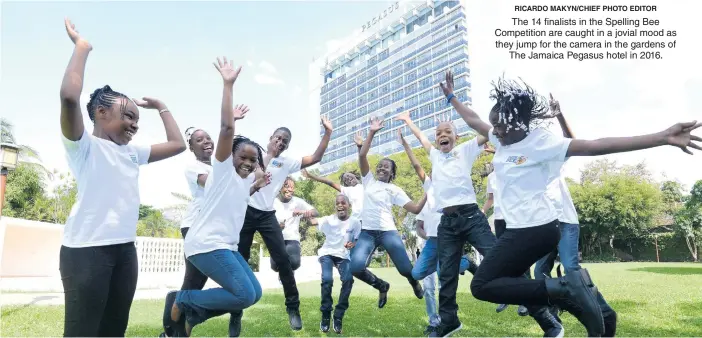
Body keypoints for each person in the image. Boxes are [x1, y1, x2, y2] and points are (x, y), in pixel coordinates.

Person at [440, 70, 701, 337]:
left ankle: (564, 290)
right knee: (502, 283)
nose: (494, 131)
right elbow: (474, 120)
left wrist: (662, 136)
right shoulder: (501, 139)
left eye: (500, 125)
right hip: (519, 229)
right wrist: (452, 97)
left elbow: (597, 145)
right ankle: (596, 309)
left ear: (518, 123)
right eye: (493, 124)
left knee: (482, 285)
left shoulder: (542, 143)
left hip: (536, 230)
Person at [58, 18, 186, 337]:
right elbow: (70, 98)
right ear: (101, 113)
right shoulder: (84, 147)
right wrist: (82, 49)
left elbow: (177, 145)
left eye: (136, 119)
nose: (134, 124)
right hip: (87, 251)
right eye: (128, 116)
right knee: (82, 332)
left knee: (114, 329)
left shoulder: (132, 153)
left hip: (125, 251)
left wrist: (162, 107)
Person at [395, 112, 548, 338]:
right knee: (447, 275)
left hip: (470, 217)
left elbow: (486, 133)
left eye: (448, 132)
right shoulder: (435, 156)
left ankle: (544, 316)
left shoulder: (464, 151)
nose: (442, 135)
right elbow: (422, 139)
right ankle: (449, 320)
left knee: (503, 262)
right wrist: (409, 122)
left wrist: (488, 118)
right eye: (439, 133)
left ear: (456, 137)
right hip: (446, 224)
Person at [165, 57, 271, 337]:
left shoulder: (241, 184)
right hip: (206, 244)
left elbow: (242, 194)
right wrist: (228, 85)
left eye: (253, 159)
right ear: (230, 156)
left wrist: (257, 184)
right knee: (242, 295)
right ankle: (184, 299)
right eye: (243, 157)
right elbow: (225, 130)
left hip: (227, 245)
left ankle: (195, 314)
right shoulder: (221, 170)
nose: (248, 162)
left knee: (254, 293)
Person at [237, 113, 334, 331]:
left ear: (287, 147)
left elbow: (316, 157)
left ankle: (293, 308)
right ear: (271, 137)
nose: (280, 142)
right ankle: (237, 313)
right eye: (278, 138)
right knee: (241, 260)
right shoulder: (254, 152)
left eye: (285, 142)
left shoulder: (287, 162)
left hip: (266, 214)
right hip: (245, 212)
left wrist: (328, 133)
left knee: (283, 260)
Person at [535, 95, 618, 336]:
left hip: (565, 222)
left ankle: (604, 312)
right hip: (544, 226)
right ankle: (557, 312)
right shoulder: (524, 161)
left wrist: (559, 114)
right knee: (539, 272)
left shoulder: (553, 157)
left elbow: (572, 140)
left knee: (571, 269)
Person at [396, 128, 476, 335]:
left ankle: (442, 321)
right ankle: (465, 262)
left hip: (448, 238)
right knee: (417, 272)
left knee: (443, 278)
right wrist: (405, 144)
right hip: (432, 241)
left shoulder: (451, 182)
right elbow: (415, 165)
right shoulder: (429, 187)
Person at [350, 116, 427, 309]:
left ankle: (413, 282)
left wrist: (429, 191)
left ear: (392, 173)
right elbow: (362, 156)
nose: (382, 167)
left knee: (405, 269)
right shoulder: (368, 181)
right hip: (367, 233)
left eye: (386, 166)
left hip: (388, 232)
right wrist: (372, 132)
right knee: (356, 267)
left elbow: (416, 208)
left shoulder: (395, 189)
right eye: (380, 165)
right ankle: (382, 286)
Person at [161, 127, 214, 337]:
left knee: (198, 284)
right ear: (192, 147)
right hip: (195, 226)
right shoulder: (193, 166)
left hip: (211, 229)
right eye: (199, 140)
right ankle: (172, 331)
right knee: (193, 280)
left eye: (208, 137)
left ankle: (175, 331)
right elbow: (210, 185)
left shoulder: (220, 165)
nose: (206, 141)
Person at [309, 194, 362, 334]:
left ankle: (338, 315)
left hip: (343, 255)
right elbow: (312, 221)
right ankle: (326, 314)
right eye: (337, 203)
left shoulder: (355, 222)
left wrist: (353, 244)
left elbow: (356, 240)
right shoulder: (328, 220)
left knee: (348, 280)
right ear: (335, 206)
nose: (340, 205)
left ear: (348, 205)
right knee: (327, 280)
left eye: (343, 203)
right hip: (327, 253)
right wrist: (307, 213)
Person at [483, 162, 529, 317]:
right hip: (499, 219)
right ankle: (506, 296)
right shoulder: (491, 177)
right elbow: (491, 198)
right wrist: (482, 211)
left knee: (521, 257)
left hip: (516, 217)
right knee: (504, 258)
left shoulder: (513, 170)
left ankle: (525, 300)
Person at [301, 131, 365, 223]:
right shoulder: (347, 190)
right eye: (345, 180)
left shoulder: (365, 183)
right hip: (358, 221)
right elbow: (329, 182)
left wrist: (360, 147)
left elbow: (362, 161)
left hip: (372, 220)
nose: (347, 179)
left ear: (354, 175)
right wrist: (311, 176)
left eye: (348, 176)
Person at [273, 176, 319, 272]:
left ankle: (288, 273)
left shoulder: (297, 202)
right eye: (287, 186)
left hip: (292, 239)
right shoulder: (273, 201)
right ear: (280, 187)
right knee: (274, 266)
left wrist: (302, 212)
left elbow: (316, 212)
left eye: (292, 188)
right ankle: (285, 273)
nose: (290, 189)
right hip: (276, 238)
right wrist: (277, 227)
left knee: (294, 263)